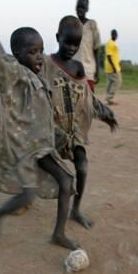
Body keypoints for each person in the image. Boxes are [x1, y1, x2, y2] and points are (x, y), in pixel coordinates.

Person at [0, 13, 79, 250]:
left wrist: (63, 137)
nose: (39, 56)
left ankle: (58, 234)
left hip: (42, 145)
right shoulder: (13, 75)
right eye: (32, 52)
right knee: (27, 195)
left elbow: (44, 116)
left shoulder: (40, 78)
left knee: (66, 181)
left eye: (41, 50)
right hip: (23, 149)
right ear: (18, 55)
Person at [42, 15, 117, 229]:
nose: (71, 48)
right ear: (58, 38)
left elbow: (87, 98)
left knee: (82, 167)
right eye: (67, 42)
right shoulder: (45, 64)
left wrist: (105, 113)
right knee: (37, 166)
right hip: (51, 130)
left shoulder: (78, 67)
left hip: (73, 131)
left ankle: (75, 209)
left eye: (76, 43)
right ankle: (24, 195)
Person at [73, 0, 102, 92]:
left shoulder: (92, 25)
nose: (80, 10)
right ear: (75, 7)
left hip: (88, 69)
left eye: (83, 7)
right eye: (78, 7)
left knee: (89, 101)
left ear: (87, 9)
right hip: (73, 69)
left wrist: (98, 70)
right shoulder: (71, 24)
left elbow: (96, 49)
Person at [105, 29, 122, 105]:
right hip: (112, 66)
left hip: (113, 66)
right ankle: (109, 98)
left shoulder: (112, 43)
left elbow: (115, 55)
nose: (116, 35)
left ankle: (108, 97)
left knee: (111, 82)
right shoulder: (110, 43)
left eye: (116, 34)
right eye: (114, 34)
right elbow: (109, 56)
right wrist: (114, 67)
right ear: (112, 34)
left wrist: (118, 64)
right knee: (118, 81)